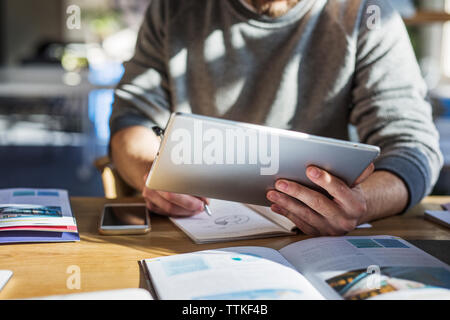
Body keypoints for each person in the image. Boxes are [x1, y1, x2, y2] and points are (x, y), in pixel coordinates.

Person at [109, 0, 443, 236]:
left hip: (315, 239)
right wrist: (148, 173)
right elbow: (132, 119)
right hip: (191, 231)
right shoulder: (173, 8)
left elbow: (412, 150)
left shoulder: (368, 13)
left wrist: (361, 204)